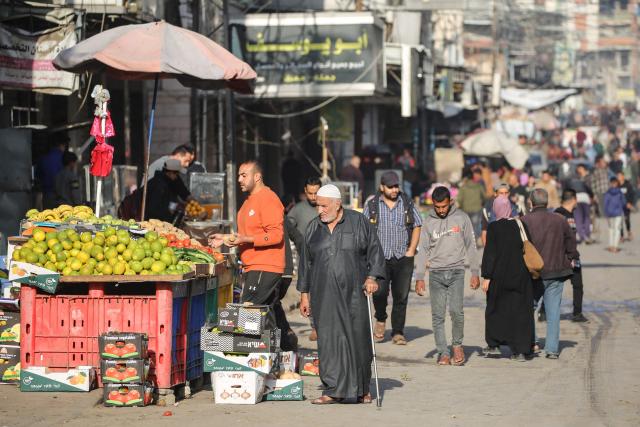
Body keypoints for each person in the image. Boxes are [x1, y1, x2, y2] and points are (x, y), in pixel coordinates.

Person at [297, 184, 385, 404]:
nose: (320, 210)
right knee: (328, 340)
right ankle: (332, 389)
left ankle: (362, 388)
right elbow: (305, 264)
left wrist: (372, 278)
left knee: (358, 339)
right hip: (322, 293)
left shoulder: (358, 222)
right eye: (318, 206)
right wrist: (304, 294)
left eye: (324, 206)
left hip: (355, 292)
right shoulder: (313, 228)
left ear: (338, 204)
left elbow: (375, 251)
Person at [210, 160, 285, 328]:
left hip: (264, 266)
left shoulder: (267, 198)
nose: (239, 180)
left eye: (244, 175)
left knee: (247, 314)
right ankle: (284, 349)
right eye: (239, 176)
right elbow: (246, 235)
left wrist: (244, 239)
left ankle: (253, 352)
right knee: (267, 316)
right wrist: (225, 237)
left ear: (257, 177)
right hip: (253, 266)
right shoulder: (247, 202)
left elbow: (276, 235)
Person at [415, 186, 480, 366]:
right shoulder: (428, 222)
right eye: (437, 207)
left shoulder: (462, 218)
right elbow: (422, 251)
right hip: (436, 274)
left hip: (457, 272)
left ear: (450, 202)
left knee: (456, 312)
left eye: (444, 206)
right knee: (438, 316)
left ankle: (457, 345)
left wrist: (475, 272)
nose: (441, 210)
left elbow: (471, 246)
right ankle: (443, 352)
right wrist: (419, 277)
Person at [363, 171, 422, 345]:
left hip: (403, 257)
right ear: (382, 187)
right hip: (379, 258)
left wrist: (411, 249)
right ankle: (380, 318)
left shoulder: (406, 203)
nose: (394, 190)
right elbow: (364, 229)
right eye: (390, 187)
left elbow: (418, 224)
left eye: (396, 186)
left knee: (401, 296)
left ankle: (398, 332)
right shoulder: (372, 205)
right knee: (379, 292)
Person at [522, 188, 578, 359]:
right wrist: (571, 257)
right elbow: (571, 241)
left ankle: (532, 342)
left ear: (531, 203)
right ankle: (552, 349)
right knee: (553, 312)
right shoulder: (560, 220)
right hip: (556, 271)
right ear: (547, 202)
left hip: (533, 273)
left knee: (528, 308)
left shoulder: (524, 220)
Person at [481, 196, 535, 361]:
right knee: (520, 311)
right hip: (521, 276)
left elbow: (490, 254)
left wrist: (487, 277)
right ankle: (521, 350)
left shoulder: (494, 227)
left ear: (495, 209)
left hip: (499, 277)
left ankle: (495, 344)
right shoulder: (520, 224)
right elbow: (529, 245)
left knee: (496, 309)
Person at [287, 176, 321, 341]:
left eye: (316, 193)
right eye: (310, 193)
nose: (313, 197)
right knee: (311, 294)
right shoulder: (298, 209)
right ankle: (315, 327)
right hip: (307, 259)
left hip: (328, 258)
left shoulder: (328, 207)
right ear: (305, 192)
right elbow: (288, 226)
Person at [552, 189, 588, 322]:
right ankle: (577, 313)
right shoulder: (565, 216)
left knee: (552, 284)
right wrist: (572, 255)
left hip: (556, 255)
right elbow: (568, 238)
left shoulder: (556, 213)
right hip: (569, 254)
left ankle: (543, 312)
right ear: (573, 199)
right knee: (578, 284)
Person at [36, 138, 66, 209]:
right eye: (64, 146)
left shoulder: (43, 158)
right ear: (61, 145)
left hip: (47, 193)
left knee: (48, 216)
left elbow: (38, 175)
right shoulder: (63, 157)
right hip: (62, 194)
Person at [456, 169, 485, 240]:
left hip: (466, 210)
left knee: (467, 226)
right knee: (476, 225)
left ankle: (470, 241)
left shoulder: (463, 187)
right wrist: (481, 203)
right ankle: (477, 239)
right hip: (477, 209)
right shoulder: (478, 186)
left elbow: (459, 199)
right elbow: (484, 196)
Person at [571, 164, 595, 243]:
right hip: (585, 198)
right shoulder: (582, 181)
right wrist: (592, 196)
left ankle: (581, 236)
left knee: (578, 218)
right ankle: (587, 236)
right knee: (586, 217)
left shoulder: (571, 183)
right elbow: (589, 190)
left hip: (576, 199)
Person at [603, 177, 626, 253]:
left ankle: (611, 246)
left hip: (610, 213)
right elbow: (624, 202)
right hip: (618, 213)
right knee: (617, 229)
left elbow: (605, 204)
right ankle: (615, 247)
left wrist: (605, 213)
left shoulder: (607, 193)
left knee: (611, 229)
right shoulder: (620, 192)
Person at [617, 171, 636, 241]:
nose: (618, 178)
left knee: (626, 219)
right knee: (620, 221)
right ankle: (621, 236)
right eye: (617, 176)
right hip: (619, 205)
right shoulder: (617, 186)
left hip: (626, 205)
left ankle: (629, 232)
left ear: (623, 176)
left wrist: (630, 203)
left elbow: (632, 194)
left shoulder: (628, 185)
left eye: (619, 176)